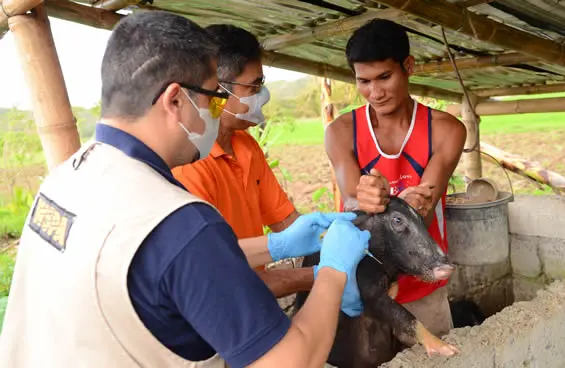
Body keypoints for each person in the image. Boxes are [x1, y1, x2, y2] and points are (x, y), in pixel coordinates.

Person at [0, 11, 371, 368]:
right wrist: (333, 272)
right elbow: (291, 361)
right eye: (212, 97)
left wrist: (275, 244)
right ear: (175, 100)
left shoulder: (66, 178)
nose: (215, 109)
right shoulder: (178, 221)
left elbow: (163, 268)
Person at [325, 18, 467, 337]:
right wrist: (367, 198)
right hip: (361, 288)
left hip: (423, 287)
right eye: (364, 81)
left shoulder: (447, 130)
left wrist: (391, 205)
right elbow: (352, 203)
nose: (374, 92)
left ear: (409, 66)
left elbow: (423, 208)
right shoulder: (340, 132)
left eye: (384, 77)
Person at [172, 24, 313, 298]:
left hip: (255, 295)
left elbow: (287, 222)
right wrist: (321, 276)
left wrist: (332, 232)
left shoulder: (246, 145)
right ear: (218, 90)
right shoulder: (188, 165)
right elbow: (218, 267)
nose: (263, 95)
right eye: (254, 86)